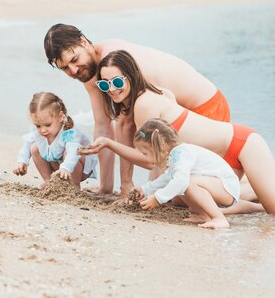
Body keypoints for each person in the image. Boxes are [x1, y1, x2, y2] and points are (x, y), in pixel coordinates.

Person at [83, 50, 275, 217]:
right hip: (223, 158)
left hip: (243, 144)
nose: (112, 89)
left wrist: (108, 143)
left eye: (118, 81)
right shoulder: (152, 94)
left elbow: (151, 161)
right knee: (182, 201)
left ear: (131, 77)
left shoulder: (144, 104)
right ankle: (254, 198)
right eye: (105, 85)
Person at [43, 24, 233, 200]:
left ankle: (246, 189)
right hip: (174, 121)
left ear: (84, 42)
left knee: (178, 196)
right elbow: (103, 125)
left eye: (74, 60)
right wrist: (106, 186)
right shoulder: (89, 72)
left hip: (207, 111)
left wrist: (128, 186)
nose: (74, 70)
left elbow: (127, 124)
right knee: (172, 191)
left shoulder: (112, 60)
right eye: (65, 68)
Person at [129, 119, 264, 229]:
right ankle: (203, 215)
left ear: (159, 148)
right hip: (218, 188)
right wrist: (145, 189)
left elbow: (180, 182)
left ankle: (219, 219)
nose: (144, 157)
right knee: (179, 182)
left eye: (145, 153)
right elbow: (167, 179)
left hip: (226, 187)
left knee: (185, 182)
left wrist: (158, 198)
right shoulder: (175, 156)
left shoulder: (183, 153)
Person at [13, 92, 97, 189]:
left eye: (48, 125)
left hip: (78, 167)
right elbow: (27, 143)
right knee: (34, 147)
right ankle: (49, 182)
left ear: (60, 117)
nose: (43, 130)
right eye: (38, 126)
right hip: (59, 165)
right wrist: (22, 162)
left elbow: (74, 152)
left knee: (71, 150)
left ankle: (74, 186)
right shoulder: (39, 132)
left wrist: (66, 168)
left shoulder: (69, 132)